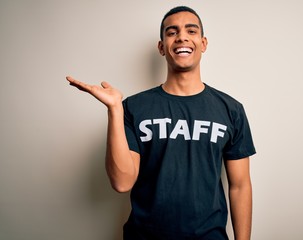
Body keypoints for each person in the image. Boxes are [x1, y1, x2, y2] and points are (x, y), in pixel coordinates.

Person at [66, 6, 256, 240]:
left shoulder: (231, 110)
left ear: (203, 43)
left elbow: (240, 186)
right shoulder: (133, 107)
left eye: (191, 31)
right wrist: (114, 109)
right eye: (172, 32)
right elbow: (122, 182)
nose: (182, 37)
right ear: (161, 47)